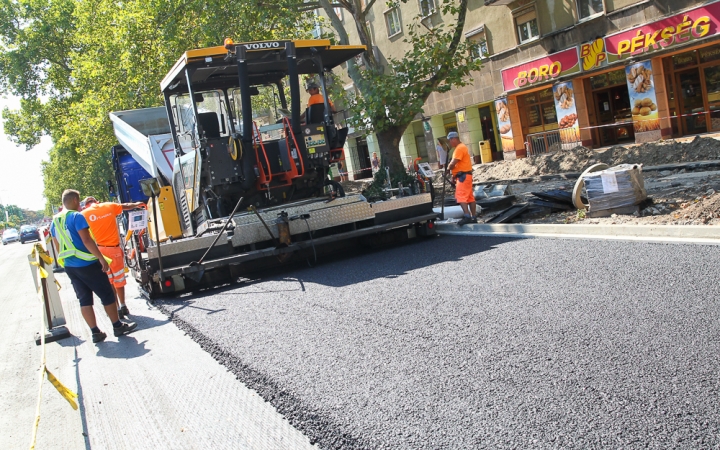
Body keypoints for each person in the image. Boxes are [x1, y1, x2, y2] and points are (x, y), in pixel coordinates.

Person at [51, 189, 137, 343]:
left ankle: (95, 332)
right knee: (107, 294)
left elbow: (57, 245)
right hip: (87, 263)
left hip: (70, 267)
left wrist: (65, 262)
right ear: (76, 201)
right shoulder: (76, 216)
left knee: (84, 300)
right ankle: (117, 326)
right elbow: (86, 240)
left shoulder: (55, 220)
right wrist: (101, 259)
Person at [81, 196, 144, 318]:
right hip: (114, 249)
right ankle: (123, 305)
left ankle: (116, 309)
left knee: (108, 281)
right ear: (96, 202)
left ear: (86, 205)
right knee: (119, 279)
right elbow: (125, 206)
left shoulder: (83, 214)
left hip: (99, 251)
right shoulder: (108, 206)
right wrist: (137, 204)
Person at [446, 132, 477, 226]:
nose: (450, 143)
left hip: (462, 176)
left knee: (461, 196)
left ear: (453, 139)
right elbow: (458, 165)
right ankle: (474, 217)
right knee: (470, 197)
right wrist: (453, 176)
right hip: (466, 176)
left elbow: (453, 163)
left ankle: (467, 216)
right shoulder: (461, 147)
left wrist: (447, 169)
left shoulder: (459, 148)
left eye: (450, 140)